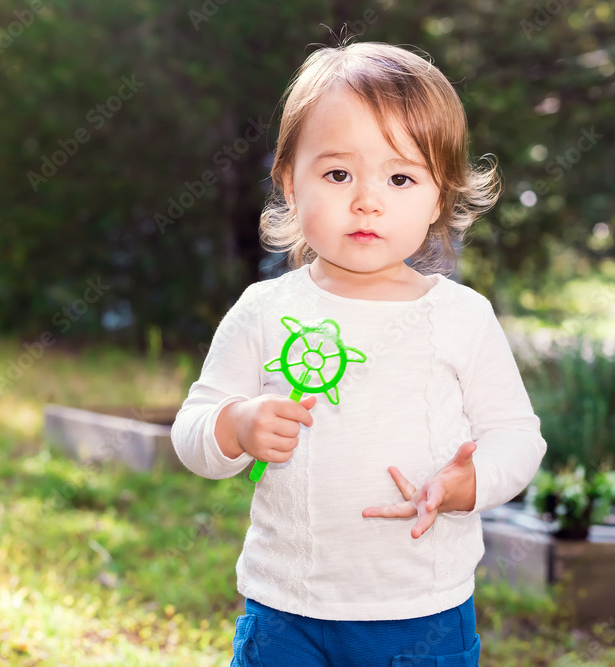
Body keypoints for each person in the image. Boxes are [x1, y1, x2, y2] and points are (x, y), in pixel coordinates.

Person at [171, 41, 546, 666]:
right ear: (290, 183)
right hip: (286, 606)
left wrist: (468, 482)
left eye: (400, 178)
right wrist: (235, 424)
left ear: (439, 196)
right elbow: (193, 433)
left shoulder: (460, 317)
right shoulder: (264, 311)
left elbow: (518, 437)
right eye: (338, 174)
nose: (367, 199)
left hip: (420, 612)